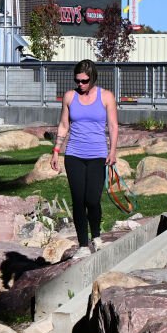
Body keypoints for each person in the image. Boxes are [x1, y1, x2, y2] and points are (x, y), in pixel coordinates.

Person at [51, 59, 119, 253]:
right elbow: (64, 125)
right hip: (74, 155)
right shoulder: (69, 97)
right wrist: (56, 151)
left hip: (98, 154)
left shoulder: (106, 96)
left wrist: (112, 151)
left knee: (92, 200)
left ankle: (96, 236)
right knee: (78, 200)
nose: (80, 85)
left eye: (84, 81)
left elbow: (113, 126)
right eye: (77, 80)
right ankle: (82, 245)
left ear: (93, 78)